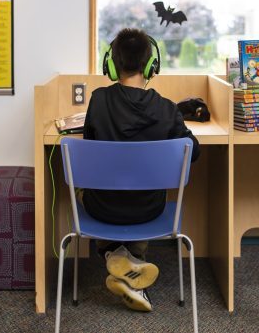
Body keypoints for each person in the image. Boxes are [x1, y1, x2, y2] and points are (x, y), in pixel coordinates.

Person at [82, 28, 200, 312]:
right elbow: (193, 152)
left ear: (111, 65)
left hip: (101, 209)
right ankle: (133, 268)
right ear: (151, 66)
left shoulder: (98, 100)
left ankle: (113, 254)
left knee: (88, 186)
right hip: (150, 211)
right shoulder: (166, 109)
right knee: (140, 189)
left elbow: (89, 147)